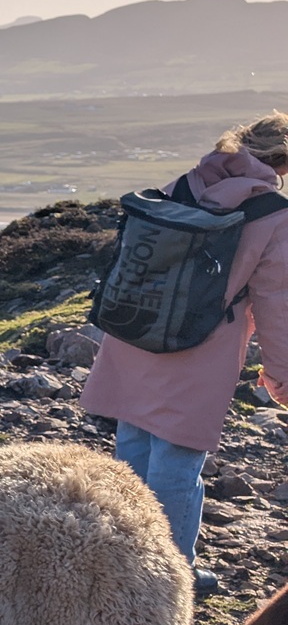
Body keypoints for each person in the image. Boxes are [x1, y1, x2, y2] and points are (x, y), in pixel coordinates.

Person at [83, 111, 288, 594]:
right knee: (177, 461)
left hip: (140, 331)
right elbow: (276, 301)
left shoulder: (189, 182)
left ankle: (122, 557)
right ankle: (169, 576)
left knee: (132, 446)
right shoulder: (273, 212)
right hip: (201, 345)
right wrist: (280, 373)